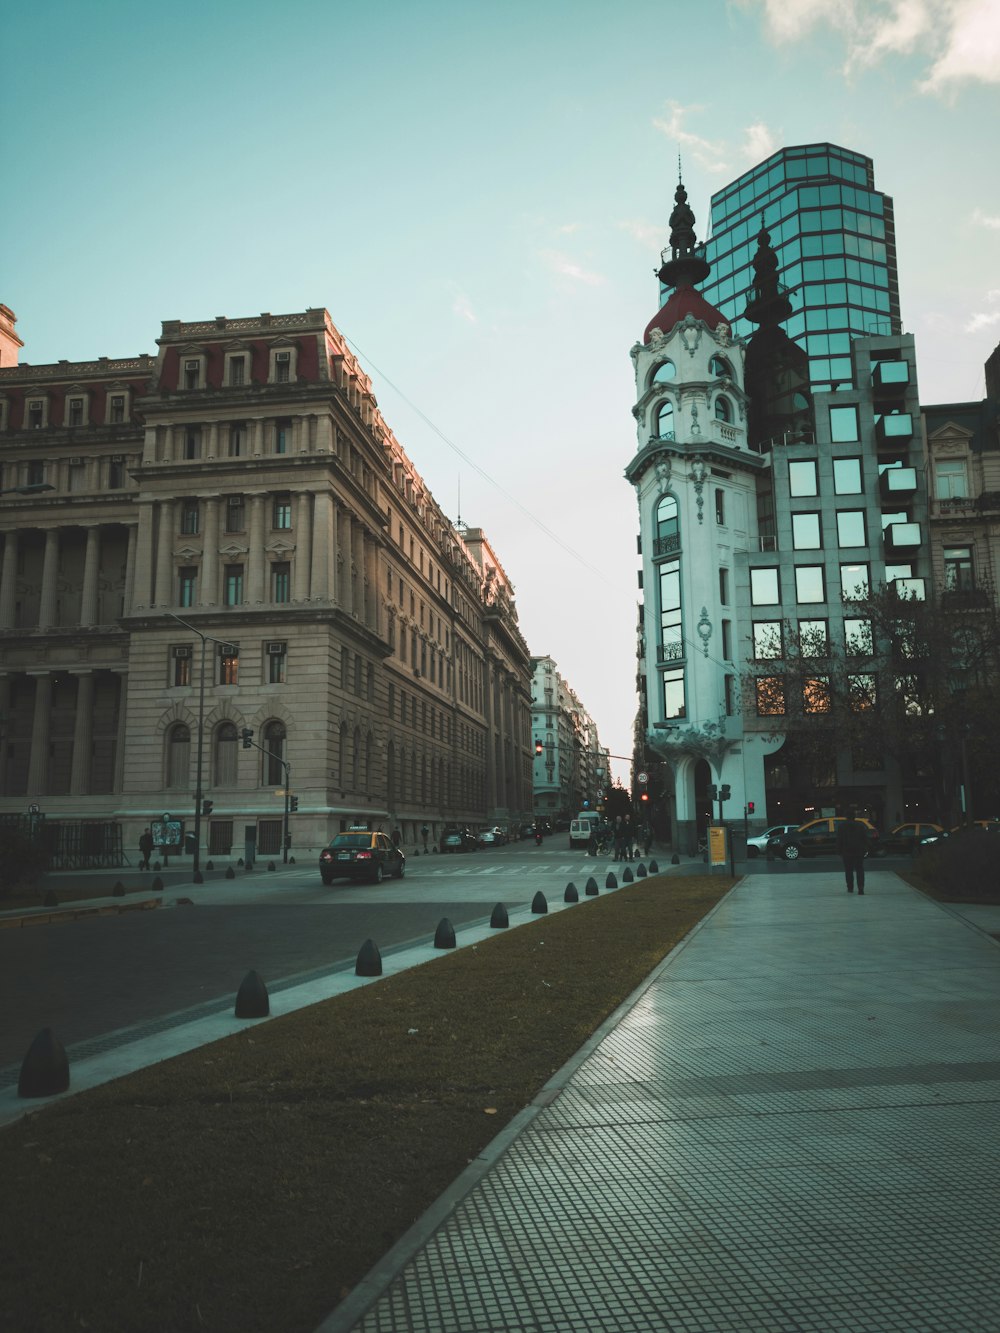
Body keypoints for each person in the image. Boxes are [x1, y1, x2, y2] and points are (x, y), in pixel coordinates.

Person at [836, 809, 868, 895]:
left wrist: (839, 851)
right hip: (858, 850)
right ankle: (861, 888)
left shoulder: (841, 826)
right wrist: (865, 849)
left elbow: (839, 840)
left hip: (846, 851)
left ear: (846, 816)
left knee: (848, 870)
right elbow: (865, 838)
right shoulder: (860, 825)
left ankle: (850, 887)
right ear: (854, 816)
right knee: (859, 869)